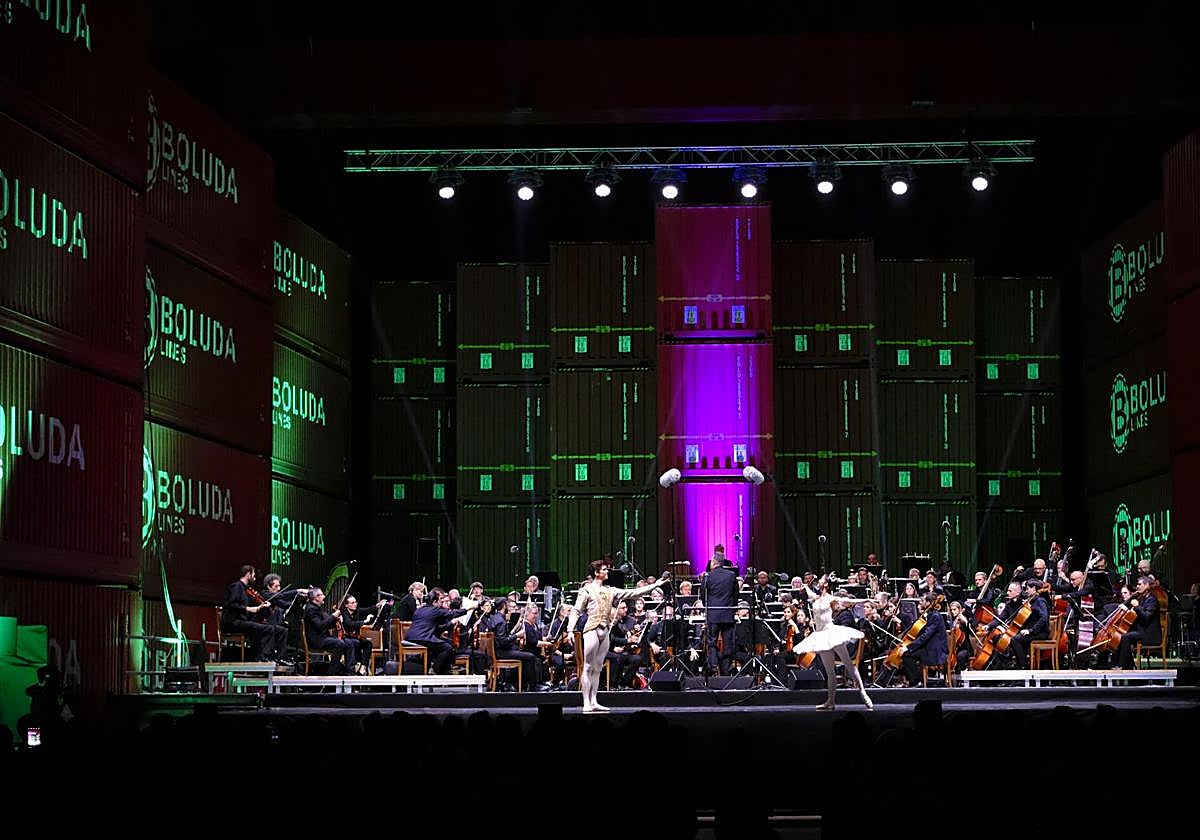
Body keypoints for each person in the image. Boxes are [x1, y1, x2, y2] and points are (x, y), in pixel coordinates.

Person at [567, 557, 661, 713]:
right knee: (588, 666)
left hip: (604, 631)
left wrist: (654, 585)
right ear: (597, 573)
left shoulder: (610, 590)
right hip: (591, 630)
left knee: (597, 667)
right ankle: (586, 702)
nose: (607, 571)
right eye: (604, 569)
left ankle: (594, 700)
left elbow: (632, 592)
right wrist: (570, 629)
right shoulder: (587, 590)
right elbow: (576, 610)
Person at [793, 576, 874, 711]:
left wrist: (866, 600)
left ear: (825, 584)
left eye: (820, 581)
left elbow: (848, 601)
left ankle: (862, 692)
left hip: (831, 632)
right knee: (830, 671)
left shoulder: (831, 598)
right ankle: (830, 701)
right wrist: (805, 586)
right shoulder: (816, 597)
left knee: (848, 664)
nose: (818, 582)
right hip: (820, 635)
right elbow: (808, 591)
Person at [222, 565, 287, 662]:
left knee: (282, 630)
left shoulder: (247, 589)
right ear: (248, 574)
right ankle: (263, 657)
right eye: (253, 574)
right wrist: (248, 608)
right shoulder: (236, 586)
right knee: (267, 628)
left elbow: (254, 604)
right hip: (233, 622)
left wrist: (261, 606)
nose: (254, 577)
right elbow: (231, 604)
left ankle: (280, 658)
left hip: (243, 621)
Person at [406, 588, 479, 675]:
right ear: (434, 602)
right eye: (440, 600)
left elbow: (436, 628)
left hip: (410, 637)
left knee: (448, 643)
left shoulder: (419, 610)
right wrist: (469, 608)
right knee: (447, 648)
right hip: (422, 638)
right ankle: (435, 670)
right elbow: (452, 613)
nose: (441, 602)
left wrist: (451, 624)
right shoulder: (435, 610)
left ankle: (444, 668)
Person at [701, 545, 740, 676]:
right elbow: (736, 595)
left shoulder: (707, 576)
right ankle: (726, 669)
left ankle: (713, 665)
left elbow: (702, 595)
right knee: (728, 643)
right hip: (728, 613)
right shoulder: (731, 575)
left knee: (711, 642)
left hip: (713, 613)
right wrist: (732, 607)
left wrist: (708, 607)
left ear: (713, 562)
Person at [303, 587, 358, 674]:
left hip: (324, 637)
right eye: (322, 595)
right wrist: (333, 616)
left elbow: (328, 624)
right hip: (317, 640)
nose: (324, 596)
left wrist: (338, 620)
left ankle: (349, 671)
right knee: (339, 643)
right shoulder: (311, 610)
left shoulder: (318, 608)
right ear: (316, 597)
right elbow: (320, 626)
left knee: (350, 642)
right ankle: (332, 672)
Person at [899, 593, 948, 686]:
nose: (920, 603)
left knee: (907, 655)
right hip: (929, 647)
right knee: (906, 655)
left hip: (935, 651)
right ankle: (914, 680)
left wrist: (908, 647)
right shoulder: (929, 615)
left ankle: (917, 681)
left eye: (922, 601)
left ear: (928, 602)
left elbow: (925, 636)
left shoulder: (935, 616)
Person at [1116, 576, 1162, 669]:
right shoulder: (1142, 599)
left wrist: (1137, 607)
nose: (1137, 586)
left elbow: (1146, 618)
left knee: (1126, 637)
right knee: (1120, 635)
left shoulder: (1152, 600)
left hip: (1149, 634)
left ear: (1147, 585)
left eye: (1140, 584)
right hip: (1142, 631)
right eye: (1137, 584)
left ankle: (1123, 666)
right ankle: (1128, 665)